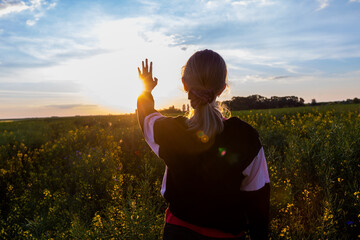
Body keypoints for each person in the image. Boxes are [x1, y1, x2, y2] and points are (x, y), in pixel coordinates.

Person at [137, 49, 270, 240]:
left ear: (184, 85)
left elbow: (146, 118)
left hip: (177, 234)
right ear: (223, 88)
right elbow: (258, 200)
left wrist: (146, 90)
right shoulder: (246, 137)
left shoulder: (170, 132)